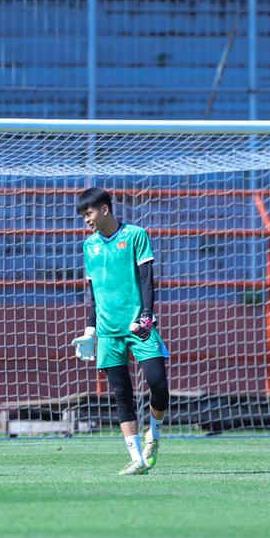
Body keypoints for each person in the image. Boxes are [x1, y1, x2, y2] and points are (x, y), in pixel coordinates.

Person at [72, 188, 170, 475]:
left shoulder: (136, 235)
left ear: (104, 209)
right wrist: (90, 331)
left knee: (158, 384)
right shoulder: (89, 246)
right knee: (121, 393)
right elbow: (93, 293)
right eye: (83, 216)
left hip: (139, 326)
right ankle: (137, 458)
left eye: (88, 214)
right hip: (107, 330)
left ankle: (155, 435)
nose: (86, 220)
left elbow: (147, 280)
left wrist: (148, 316)